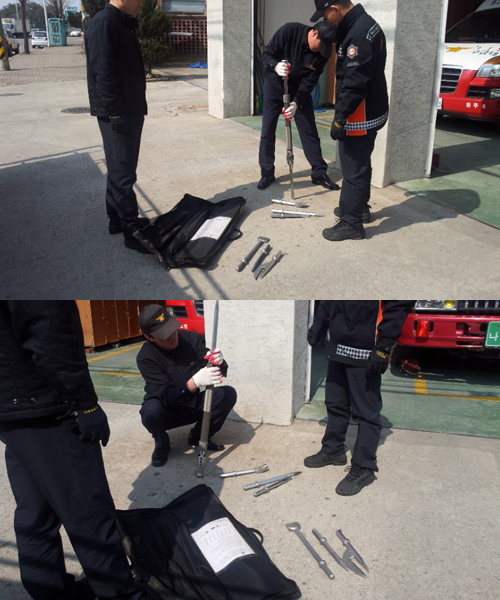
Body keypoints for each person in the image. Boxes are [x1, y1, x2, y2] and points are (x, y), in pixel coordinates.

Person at [0, 301, 150, 600]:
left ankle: (52, 592)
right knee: (90, 516)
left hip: (11, 408)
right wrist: (85, 404)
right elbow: (48, 333)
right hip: (46, 406)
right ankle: (121, 594)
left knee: (36, 513)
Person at [305, 301, 414, 496]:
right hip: (337, 344)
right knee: (335, 403)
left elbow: (399, 305)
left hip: (367, 349)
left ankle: (364, 467)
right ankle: (333, 449)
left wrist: (384, 346)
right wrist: (319, 321)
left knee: (366, 413)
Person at [310, 1, 389, 241]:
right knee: (361, 162)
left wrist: (340, 116)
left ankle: (351, 222)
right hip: (372, 107)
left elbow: (355, 81)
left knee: (352, 168)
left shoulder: (358, 34)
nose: (326, 20)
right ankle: (360, 208)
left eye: (326, 15)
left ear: (335, 7)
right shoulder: (367, 25)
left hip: (359, 112)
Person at [85, 0, 151, 254]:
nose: (141, 3)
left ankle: (116, 219)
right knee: (123, 172)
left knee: (119, 167)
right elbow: (102, 73)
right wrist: (115, 114)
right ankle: (131, 231)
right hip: (118, 112)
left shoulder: (120, 22)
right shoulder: (104, 23)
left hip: (128, 109)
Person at [136, 304, 237, 467]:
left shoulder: (190, 339)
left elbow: (213, 368)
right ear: (149, 337)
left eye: (172, 329)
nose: (172, 336)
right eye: (164, 335)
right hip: (168, 409)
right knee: (150, 412)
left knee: (227, 394)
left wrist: (219, 362)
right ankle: (162, 444)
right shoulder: (146, 357)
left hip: (193, 404)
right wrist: (194, 382)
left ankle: (198, 436)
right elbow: (166, 395)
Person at [257, 20, 339, 192]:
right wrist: (275, 66)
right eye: (320, 45)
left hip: (299, 90)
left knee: (309, 131)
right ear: (314, 33)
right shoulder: (289, 31)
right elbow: (267, 54)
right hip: (275, 85)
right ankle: (267, 173)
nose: (321, 51)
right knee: (267, 130)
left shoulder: (322, 55)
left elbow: (309, 82)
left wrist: (296, 103)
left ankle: (319, 173)